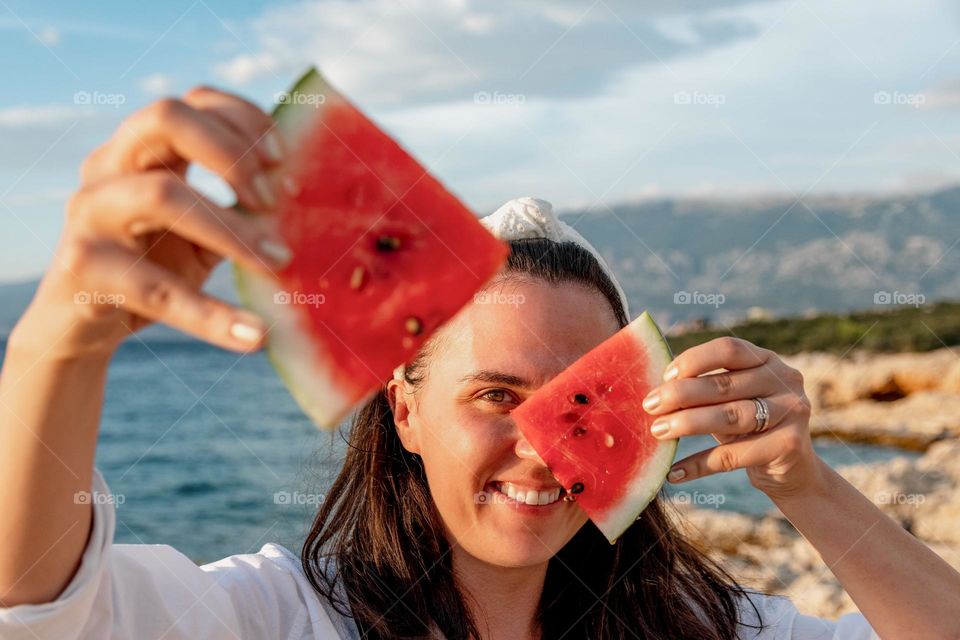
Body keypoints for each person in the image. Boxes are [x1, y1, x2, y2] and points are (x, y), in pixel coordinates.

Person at [0, 86, 958, 640]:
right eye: (496, 393)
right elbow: (40, 607)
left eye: (587, 398)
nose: (542, 449)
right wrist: (56, 351)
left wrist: (806, 482)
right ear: (405, 410)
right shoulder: (275, 614)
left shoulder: (704, 625)